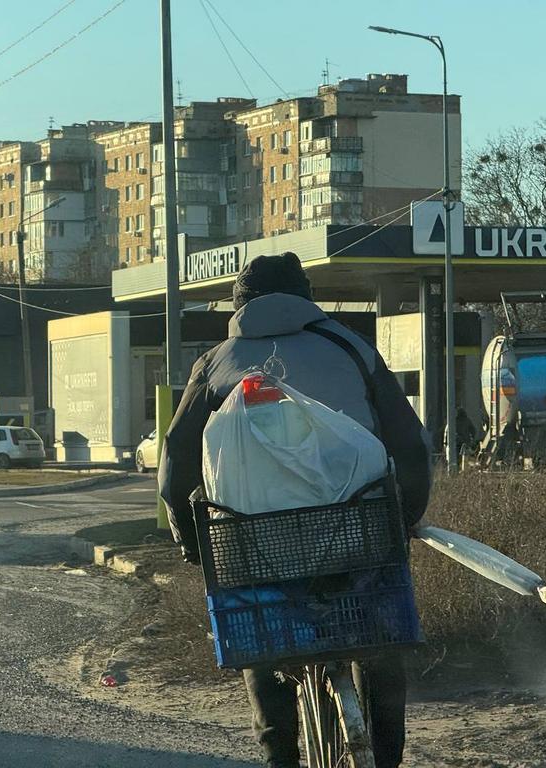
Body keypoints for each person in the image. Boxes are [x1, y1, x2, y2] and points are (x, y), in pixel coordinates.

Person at [159, 251, 433, 768]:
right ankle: (385, 756)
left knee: (261, 635)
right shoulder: (352, 348)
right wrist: (405, 517)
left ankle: (280, 755)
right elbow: (411, 444)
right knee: (378, 639)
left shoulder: (216, 362)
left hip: (256, 543)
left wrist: (191, 540)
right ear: (307, 298)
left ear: (241, 306)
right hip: (357, 533)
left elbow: (176, 458)